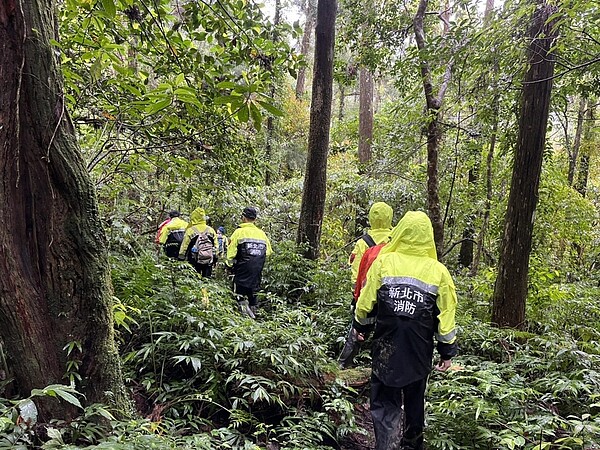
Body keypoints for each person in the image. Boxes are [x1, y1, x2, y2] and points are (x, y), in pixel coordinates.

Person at [353, 211, 458, 450]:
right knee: (414, 400)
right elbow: (446, 315)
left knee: (384, 400)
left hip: (386, 346)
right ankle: (412, 444)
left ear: (400, 231)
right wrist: (447, 352)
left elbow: (366, 302)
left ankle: (386, 444)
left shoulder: (383, 263)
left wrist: (361, 327)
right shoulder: (438, 271)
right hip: (418, 350)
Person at [339, 202, 393, 368]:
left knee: (357, 329)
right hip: (389, 293)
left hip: (366, 292)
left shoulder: (363, 242)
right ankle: (381, 365)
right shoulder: (395, 239)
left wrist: (356, 295)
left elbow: (356, 271)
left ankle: (343, 365)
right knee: (387, 332)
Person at [226, 207, 272, 319]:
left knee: (239, 294)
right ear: (255, 219)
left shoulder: (239, 232)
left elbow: (230, 254)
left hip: (241, 270)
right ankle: (254, 316)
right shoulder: (262, 234)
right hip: (257, 271)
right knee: (253, 295)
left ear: (243, 217)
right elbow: (268, 252)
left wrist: (229, 266)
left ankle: (243, 318)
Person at [178, 208, 216, 277]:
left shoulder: (190, 230)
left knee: (194, 279)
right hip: (208, 260)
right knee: (206, 280)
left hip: (193, 260)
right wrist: (215, 259)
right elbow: (216, 247)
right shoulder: (211, 230)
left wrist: (181, 257)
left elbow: (184, 247)